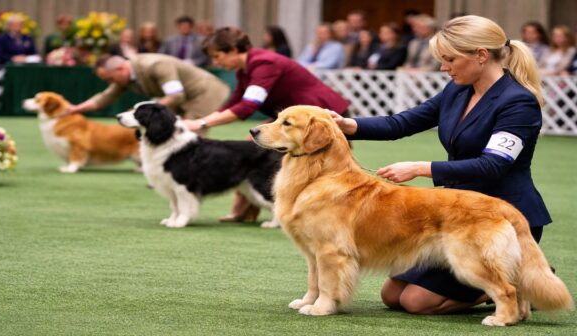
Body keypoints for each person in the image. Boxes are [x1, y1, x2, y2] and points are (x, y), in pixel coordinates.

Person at [331, 15, 552, 315]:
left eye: (449, 59)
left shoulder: (518, 102)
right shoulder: (458, 89)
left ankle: (511, 281)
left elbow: (493, 165)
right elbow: (403, 123)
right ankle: (511, 275)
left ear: (481, 55)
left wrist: (422, 168)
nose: (442, 67)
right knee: (392, 295)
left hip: (501, 219)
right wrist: (350, 125)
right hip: (455, 214)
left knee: (416, 302)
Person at [181, 27, 350, 222]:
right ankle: (244, 211)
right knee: (251, 149)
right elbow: (232, 105)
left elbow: (247, 106)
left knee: (326, 166)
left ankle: (329, 214)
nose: (215, 62)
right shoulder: (244, 72)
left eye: (217, 56)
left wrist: (200, 123)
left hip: (323, 116)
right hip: (294, 117)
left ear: (234, 50)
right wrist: (199, 122)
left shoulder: (264, 63)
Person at [66, 54, 229, 136]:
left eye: (110, 78)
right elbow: (103, 98)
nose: (110, 83)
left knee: (190, 131)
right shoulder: (123, 78)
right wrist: (75, 109)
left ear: (121, 69)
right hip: (183, 96)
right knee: (172, 130)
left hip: (204, 91)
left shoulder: (156, 65)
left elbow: (176, 95)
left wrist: (146, 110)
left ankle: (195, 173)